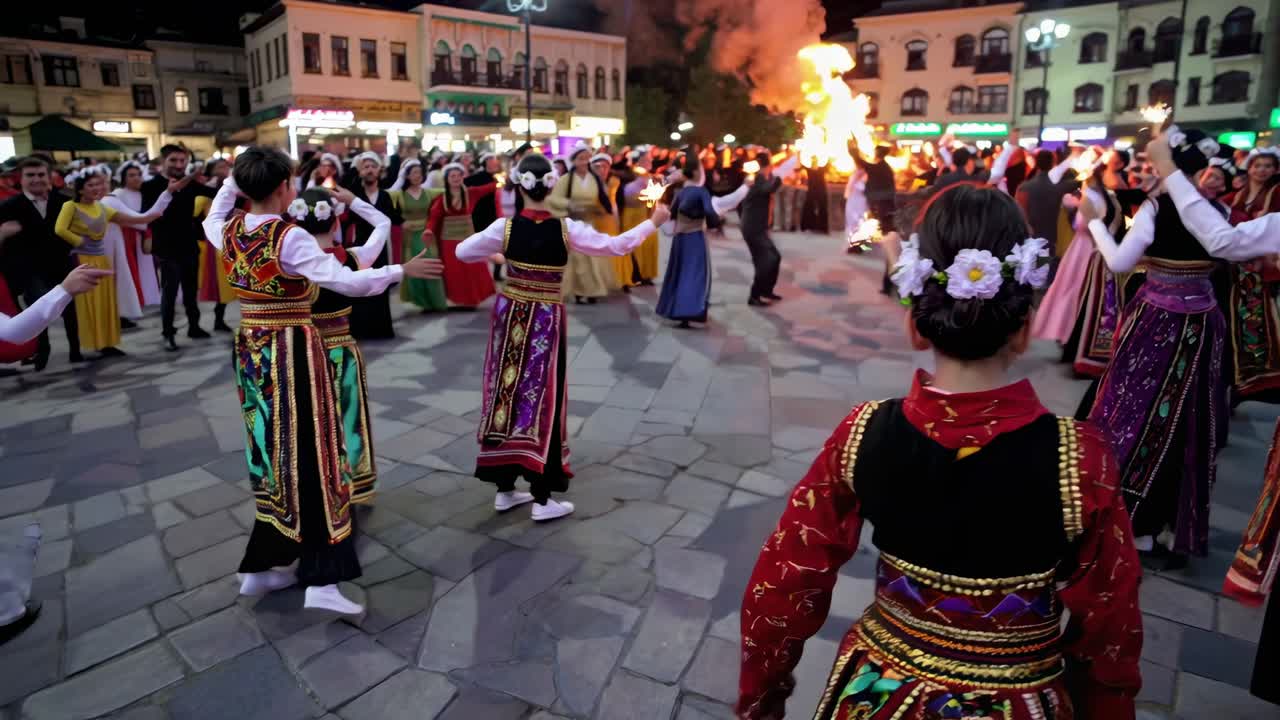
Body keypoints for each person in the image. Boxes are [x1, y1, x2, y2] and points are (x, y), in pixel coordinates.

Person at [738, 183, 1142, 720]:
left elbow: (783, 586)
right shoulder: (1082, 459)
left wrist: (761, 698)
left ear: (913, 323)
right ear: (1024, 329)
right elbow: (1112, 629)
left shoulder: (862, 433)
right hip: (1020, 703)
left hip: (875, 696)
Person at [201, 146, 442, 614]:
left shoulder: (226, 231)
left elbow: (215, 211)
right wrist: (400, 270)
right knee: (315, 455)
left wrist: (236, 179)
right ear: (283, 189)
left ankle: (263, 566)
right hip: (292, 350)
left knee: (272, 457)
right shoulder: (288, 239)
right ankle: (322, 579)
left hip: (252, 351)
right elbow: (345, 282)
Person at [455, 153, 669, 521]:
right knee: (544, 397)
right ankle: (541, 497)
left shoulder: (503, 228)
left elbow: (462, 251)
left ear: (519, 186)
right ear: (552, 185)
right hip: (544, 319)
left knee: (505, 391)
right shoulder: (566, 229)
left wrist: (501, 257)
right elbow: (616, 246)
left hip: (510, 315)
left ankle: (505, 488)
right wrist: (653, 222)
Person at [1077, 128, 1228, 568]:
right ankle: (1165, 521)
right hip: (1201, 325)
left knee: (1130, 412)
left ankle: (1130, 518)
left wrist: (1094, 227)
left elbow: (1121, 262)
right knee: (1190, 419)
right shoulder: (1216, 210)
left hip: (1157, 324)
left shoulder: (1156, 209)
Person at [292, 185, 388, 504]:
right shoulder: (351, 258)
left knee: (309, 420)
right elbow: (383, 225)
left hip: (302, 352)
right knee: (348, 416)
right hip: (342, 349)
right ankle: (353, 483)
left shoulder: (291, 265)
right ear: (335, 223)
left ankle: (316, 485)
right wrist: (355, 201)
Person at [54, 168, 174, 358]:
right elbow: (60, 229)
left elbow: (141, 218)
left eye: (98, 184)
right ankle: (80, 346)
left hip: (102, 259)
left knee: (105, 300)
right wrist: (79, 242)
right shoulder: (70, 206)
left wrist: (166, 196)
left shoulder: (103, 208)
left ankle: (106, 343)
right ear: (80, 189)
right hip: (81, 260)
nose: (96, 188)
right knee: (86, 302)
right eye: (90, 185)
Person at [0, 157, 82, 369]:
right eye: (30, 175)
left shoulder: (64, 202)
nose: (36, 179)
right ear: (21, 179)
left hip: (61, 265)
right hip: (30, 270)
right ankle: (42, 351)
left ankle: (76, 350)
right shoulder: (9, 206)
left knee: (70, 310)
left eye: (40, 175)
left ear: (49, 177)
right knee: (39, 308)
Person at [654, 155, 748, 328]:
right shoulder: (700, 191)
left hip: (680, 239)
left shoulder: (681, 192)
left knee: (679, 272)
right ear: (697, 172)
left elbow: (673, 213)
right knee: (695, 274)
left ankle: (676, 309)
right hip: (694, 238)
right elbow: (709, 211)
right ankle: (689, 310)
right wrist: (717, 222)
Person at [143, 144, 216, 352]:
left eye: (182, 161)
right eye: (174, 160)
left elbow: (215, 193)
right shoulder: (150, 186)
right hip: (166, 248)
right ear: (163, 161)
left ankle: (194, 326)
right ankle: (168, 333)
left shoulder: (191, 184)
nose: (179, 164)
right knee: (170, 292)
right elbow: (147, 215)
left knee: (191, 290)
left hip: (189, 245)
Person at [346, 152, 402, 339]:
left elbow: (395, 219)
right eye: (365, 167)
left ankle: (381, 328)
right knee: (361, 286)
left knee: (381, 284)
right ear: (360, 171)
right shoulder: (354, 195)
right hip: (360, 247)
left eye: (373, 167)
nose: (369, 170)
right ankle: (360, 328)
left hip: (381, 248)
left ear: (379, 170)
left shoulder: (386, 196)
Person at [550, 146, 615, 304]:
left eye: (587, 158)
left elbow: (603, 199)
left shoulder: (594, 179)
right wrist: (570, 204)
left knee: (592, 256)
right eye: (581, 159)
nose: (585, 162)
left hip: (589, 222)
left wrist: (602, 210)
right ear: (573, 161)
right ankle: (578, 290)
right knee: (577, 259)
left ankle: (593, 291)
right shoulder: (566, 179)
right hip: (574, 223)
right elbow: (553, 199)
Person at [430, 163, 498, 309]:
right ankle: (457, 300)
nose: (455, 178)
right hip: (448, 240)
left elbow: (490, 187)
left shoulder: (471, 192)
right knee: (454, 272)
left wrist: (505, 180)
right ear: (447, 179)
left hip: (467, 238)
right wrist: (429, 230)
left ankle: (471, 299)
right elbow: (434, 217)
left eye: (458, 175)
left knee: (471, 269)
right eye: (452, 176)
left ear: (463, 177)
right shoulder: (441, 198)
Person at [102, 161, 160, 313]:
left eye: (139, 174)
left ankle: (146, 299)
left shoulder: (145, 192)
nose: (136, 178)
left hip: (144, 233)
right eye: (131, 175)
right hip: (127, 236)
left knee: (147, 269)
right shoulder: (119, 194)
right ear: (123, 178)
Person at [390, 159, 447, 312]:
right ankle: (423, 302)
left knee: (431, 265)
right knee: (415, 267)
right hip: (409, 237)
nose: (417, 176)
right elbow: (386, 201)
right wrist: (402, 222)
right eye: (414, 173)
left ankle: (436, 301)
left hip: (427, 235)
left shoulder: (429, 192)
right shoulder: (399, 195)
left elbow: (447, 191)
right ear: (407, 176)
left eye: (420, 173)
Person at [739, 152, 794, 305]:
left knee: (774, 257)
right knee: (766, 260)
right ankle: (755, 295)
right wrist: (780, 178)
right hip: (752, 228)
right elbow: (767, 189)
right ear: (768, 166)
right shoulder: (757, 177)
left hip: (758, 228)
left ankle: (766, 291)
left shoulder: (760, 177)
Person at [195, 159, 237, 332]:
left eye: (226, 166)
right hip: (214, 242)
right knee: (221, 284)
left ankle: (220, 318)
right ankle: (216, 319)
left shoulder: (234, 190)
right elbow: (195, 212)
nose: (224, 170)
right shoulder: (206, 192)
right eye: (220, 167)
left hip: (232, 239)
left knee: (229, 284)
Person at [1015, 149, 1077, 255]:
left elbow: (1019, 215)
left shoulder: (1024, 188)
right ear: (1054, 162)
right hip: (1055, 240)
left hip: (1030, 241)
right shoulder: (1062, 187)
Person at [619, 149, 659, 285]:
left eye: (650, 160)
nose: (650, 162)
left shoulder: (650, 177)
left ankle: (646, 274)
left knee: (648, 244)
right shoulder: (630, 174)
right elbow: (626, 196)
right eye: (647, 160)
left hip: (646, 215)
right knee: (635, 243)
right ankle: (635, 274)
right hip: (631, 215)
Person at [799, 159, 828, 233]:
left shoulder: (821, 169)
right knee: (808, 207)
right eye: (813, 161)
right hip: (811, 192)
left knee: (822, 208)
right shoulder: (809, 170)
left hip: (821, 192)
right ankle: (808, 226)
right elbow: (801, 164)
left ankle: (822, 228)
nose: (814, 163)